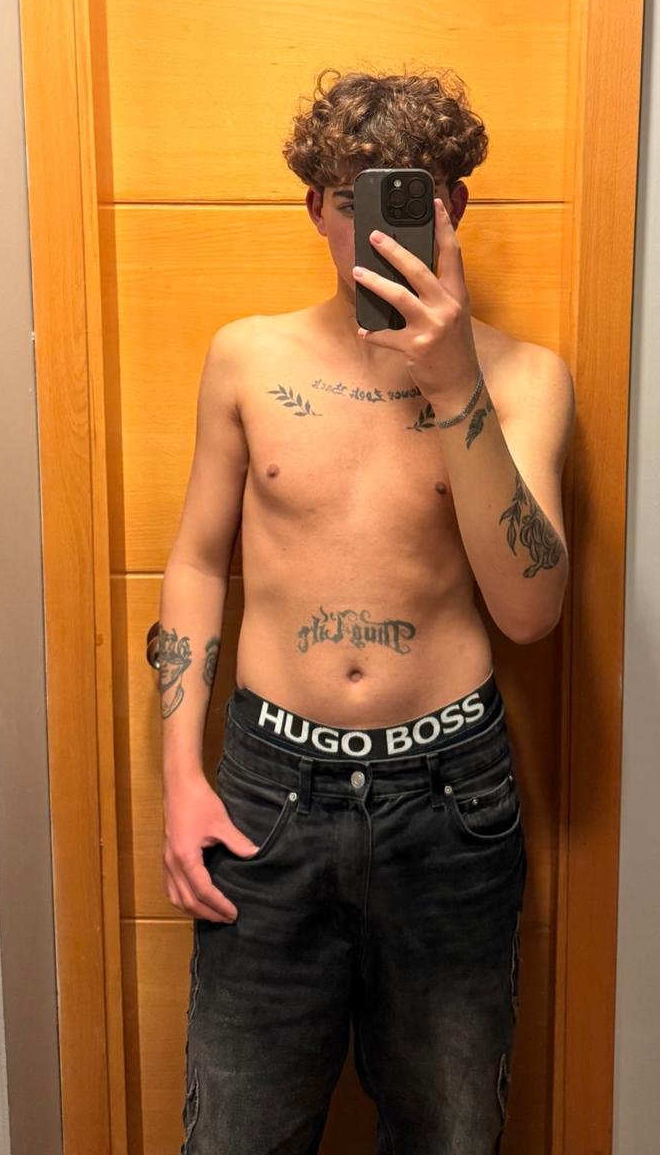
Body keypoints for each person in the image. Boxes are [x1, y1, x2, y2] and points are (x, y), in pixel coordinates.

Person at [156, 69, 575, 1153]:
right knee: (237, 1135)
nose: (376, 229)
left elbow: (531, 611)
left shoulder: (525, 379)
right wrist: (181, 779)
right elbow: (197, 561)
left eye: (409, 197)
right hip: (269, 793)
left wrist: (453, 382)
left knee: (449, 1136)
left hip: (450, 799)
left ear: (453, 208)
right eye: (352, 200)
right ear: (316, 209)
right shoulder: (247, 357)